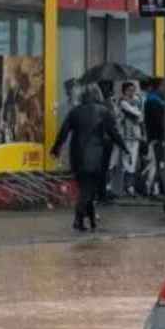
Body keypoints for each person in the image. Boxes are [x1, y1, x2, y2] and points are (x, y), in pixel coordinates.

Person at [51, 85, 127, 232]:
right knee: (88, 189)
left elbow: (63, 132)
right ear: (97, 95)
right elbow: (113, 132)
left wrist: (56, 149)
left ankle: (91, 220)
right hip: (95, 156)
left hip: (77, 155)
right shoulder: (103, 111)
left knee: (86, 188)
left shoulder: (74, 112)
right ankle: (78, 220)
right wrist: (124, 147)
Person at [118, 81, 145, 198]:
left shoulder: (137, 100)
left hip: (136, 135)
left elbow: (141, 116)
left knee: (133, 161)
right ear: (124, 91)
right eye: (129, 90)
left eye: (133, 89)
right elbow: (136, 113)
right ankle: (126, 187)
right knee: (127, 160)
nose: (132, 92)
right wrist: (138, 109)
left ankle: (130, 187)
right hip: (126, 135)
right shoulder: (122, 102)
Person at [143, 78, 165, 199]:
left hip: (155, 137)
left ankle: (154, 189)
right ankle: (151, 189)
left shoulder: (155, 100)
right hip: (156, 138)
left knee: (156, 164)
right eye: (163, 86)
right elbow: (158, 122)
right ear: (159, 86)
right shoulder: (154, 101)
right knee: (156, 164)